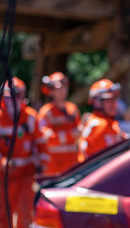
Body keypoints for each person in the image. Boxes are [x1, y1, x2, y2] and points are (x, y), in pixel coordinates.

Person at [0, 77, 46, 228]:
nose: (15, 100)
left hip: (26, 172)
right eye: (11, 96)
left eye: (19, 95)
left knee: (25, 212)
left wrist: (43, 164)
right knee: (3, 212)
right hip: (4, 175)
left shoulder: (30, 116)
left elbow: (40, 143)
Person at [37, 72, 81, 175]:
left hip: (72, 165)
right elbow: (46, 139)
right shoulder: (46, 112)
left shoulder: (72, 109)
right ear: (51, 91)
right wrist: (70, 135)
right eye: (58, 88)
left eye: (64, 87)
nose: (62, 91)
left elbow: (78, 134)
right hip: (53, 167)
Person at [78, 79, 125, 162]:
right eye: (108, 100)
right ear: (96, 102)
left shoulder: (110, 123)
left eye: (114, 99)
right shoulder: (99, 125)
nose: (113, 104)